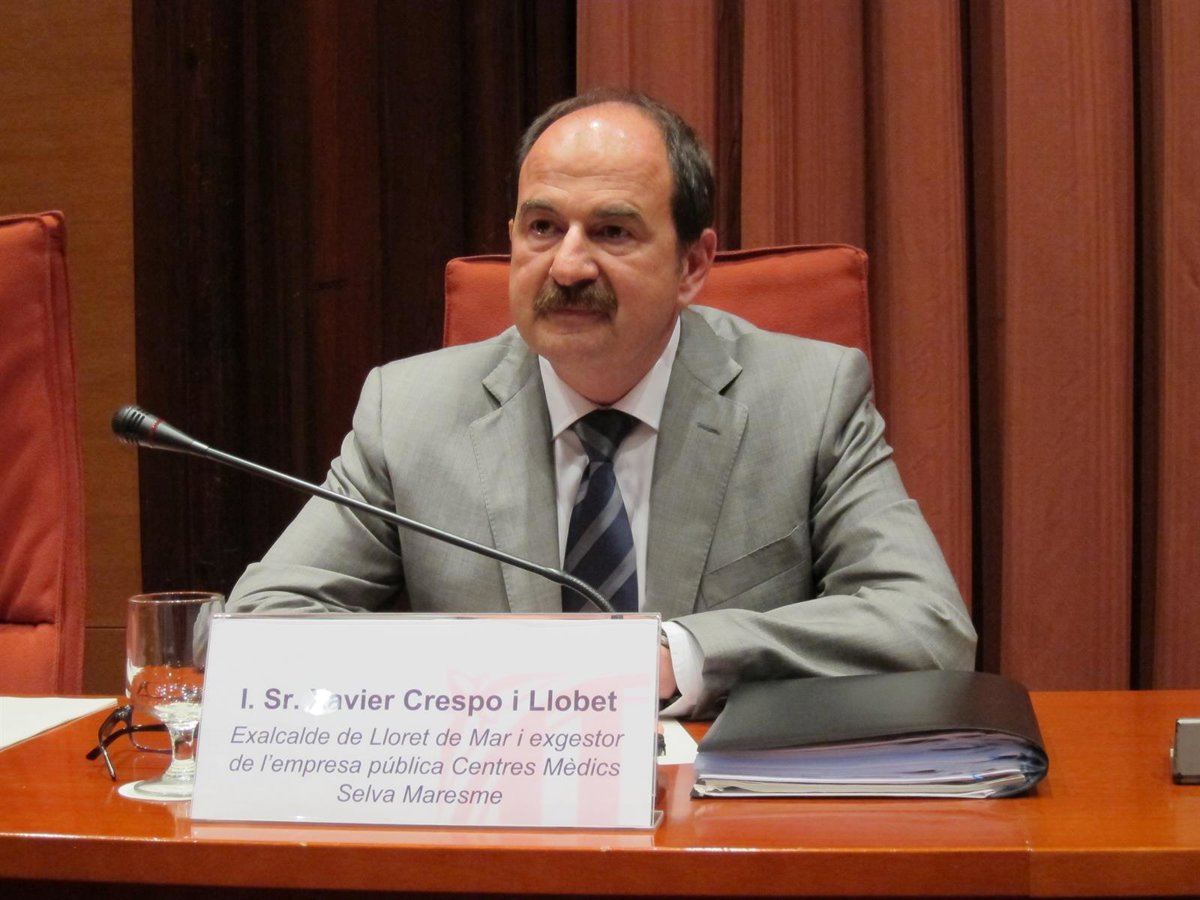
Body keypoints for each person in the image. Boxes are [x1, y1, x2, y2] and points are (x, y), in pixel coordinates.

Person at [228, 89, 976, 719]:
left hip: (715, 813)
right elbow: (264, 623)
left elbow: (928, 624)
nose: (568, 265)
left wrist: (680, 655)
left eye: (612, 232)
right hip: (490, 811)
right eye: (543, 228)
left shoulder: (807, 399)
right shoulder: (410, 411)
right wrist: (482, 675)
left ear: (692, 264)